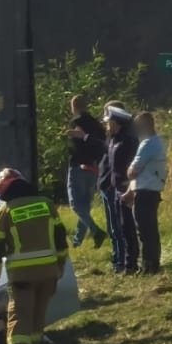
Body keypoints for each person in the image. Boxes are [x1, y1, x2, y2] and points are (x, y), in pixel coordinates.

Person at [0, 168, 68, 344]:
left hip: (22, 274)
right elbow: (60, 238)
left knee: (20, 312)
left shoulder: (4, 212)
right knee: (39, 310)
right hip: (48, 270)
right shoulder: (47, 204)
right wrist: (60, 264)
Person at [99, 104, 139, 275]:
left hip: (125, 188)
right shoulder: (114, 140)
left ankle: (131, 263)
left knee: (128, 228)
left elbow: (133, 167)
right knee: (121, 228)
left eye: (110, 122)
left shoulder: (128, 141)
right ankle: (124, 262)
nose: (107, 126)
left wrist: (129, 188)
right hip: (115, 189)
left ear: (118, 123)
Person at [127, 111, 168, 275]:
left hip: (145, 190)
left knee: (144, 230)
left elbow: (133, 170)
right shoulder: (157, 142)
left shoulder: (148, 144)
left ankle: (148, 266)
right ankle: (152, 263)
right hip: (152, 190)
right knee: (150, 229)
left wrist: (130, 170)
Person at [64, 96, 107, 249]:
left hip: (77, 166)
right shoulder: (97, 124)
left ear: (73, 106)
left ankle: (96, 231)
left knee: (76, 204)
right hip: (94, 168)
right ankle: (77, 241)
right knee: (84, 206)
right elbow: (102, 144)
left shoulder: (76, 123)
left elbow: (74, 145)